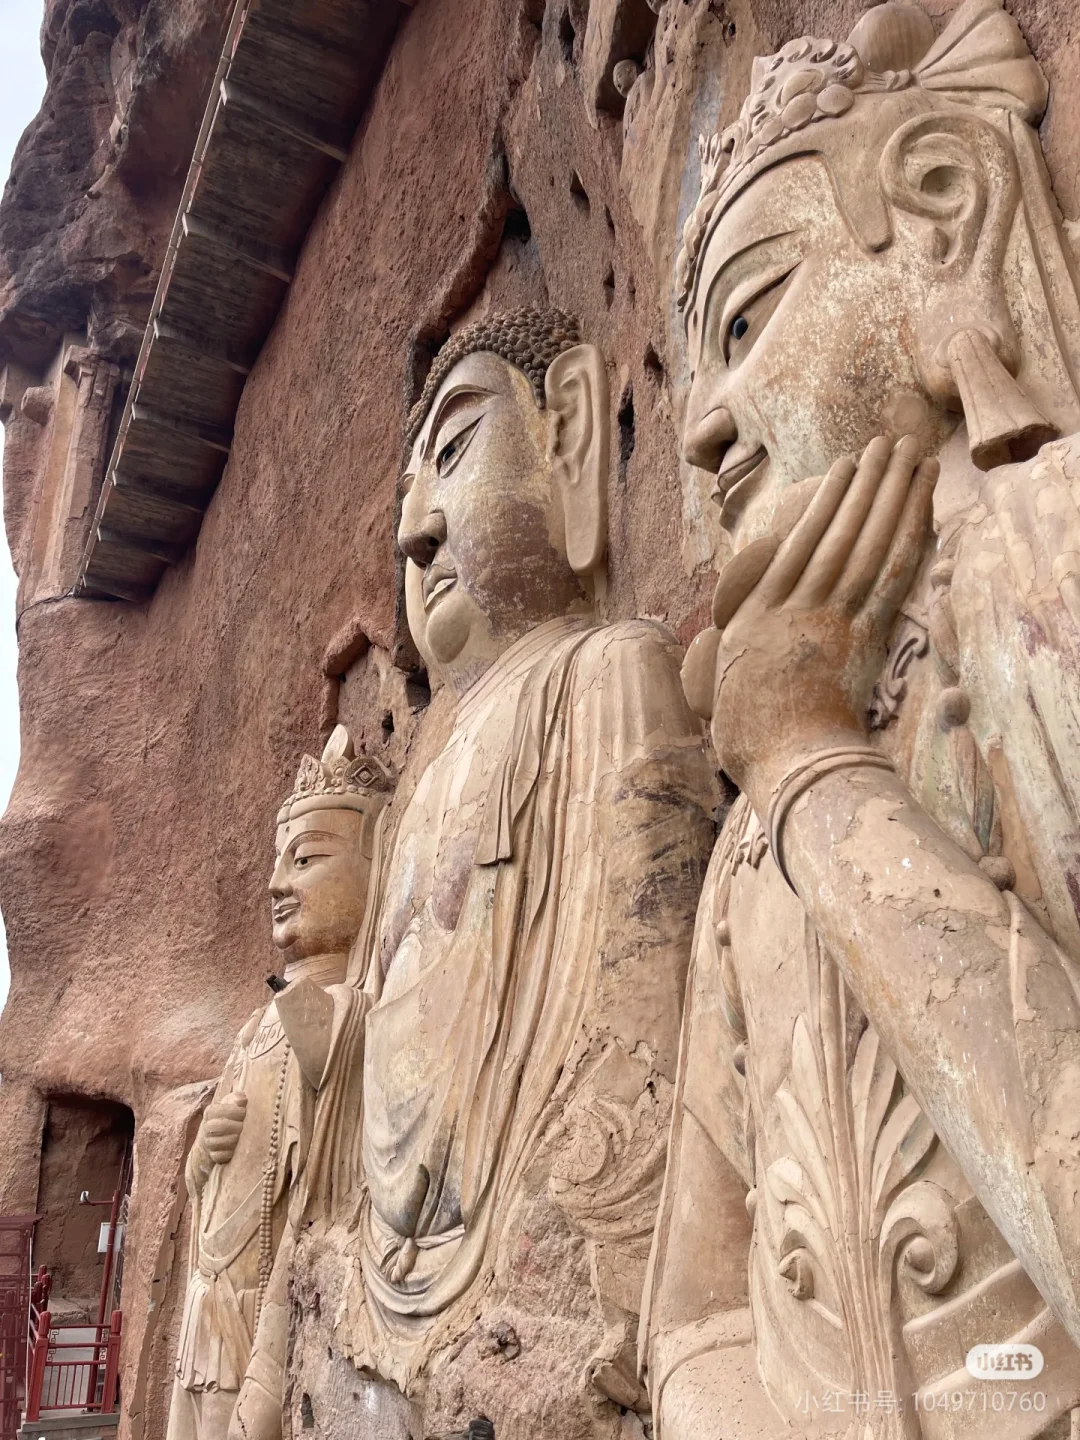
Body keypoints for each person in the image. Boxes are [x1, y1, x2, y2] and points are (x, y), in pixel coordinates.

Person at [645, 3, 1080, 1435]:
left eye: (751, 319)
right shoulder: (741, 847)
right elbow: (694, 1311)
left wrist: (813, 766)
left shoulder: (1046, 565)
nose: (704, 423)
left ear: (941, 214)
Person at [312, 309, 717, 1438]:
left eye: (454, 455)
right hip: (390, 1269)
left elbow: (642, 1010)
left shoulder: (608, 674)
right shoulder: (411, 802)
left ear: (572, 438)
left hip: (531, 1258)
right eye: (404, 502)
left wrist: (593, 1260)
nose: (417, 534)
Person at [166, 728, 392, 1440]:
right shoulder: (254, 1027)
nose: (277, 884)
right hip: (211, 1292)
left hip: (264, 1302)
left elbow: (338, 1092)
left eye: (306, 859)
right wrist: (202, 1156)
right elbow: (206, 1175)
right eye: (278, 861)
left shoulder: (354, 1008)